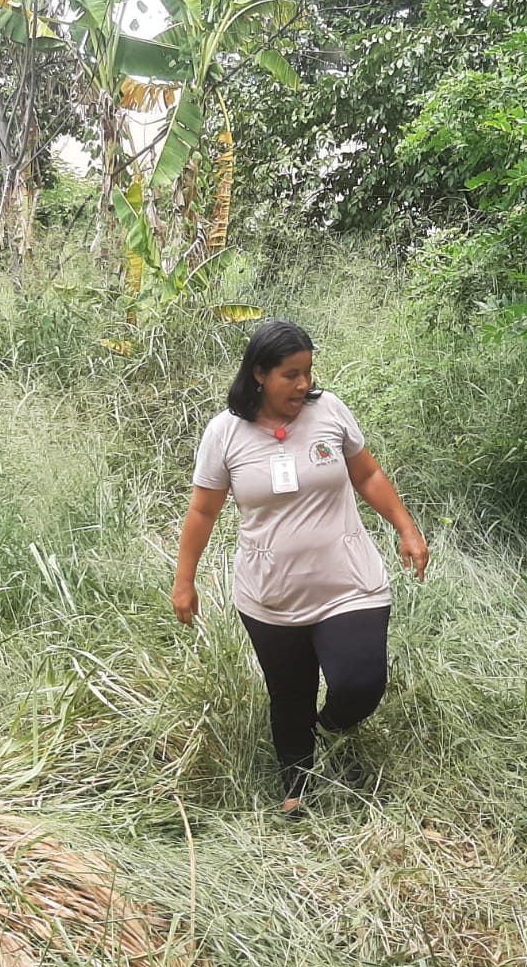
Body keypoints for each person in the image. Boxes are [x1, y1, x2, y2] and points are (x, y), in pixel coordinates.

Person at [172, 319, 428, 818]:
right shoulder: (225, 433)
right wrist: (185, 580)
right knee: (288, 694)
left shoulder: (329, 412)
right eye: (291, 375)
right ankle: (297, 784)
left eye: (308, 372)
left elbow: (367, 473)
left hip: (348, 581)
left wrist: (407, 528)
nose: (304, 384)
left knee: (359, 684)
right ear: (260, 374)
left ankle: (332, 727)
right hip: (270, 594)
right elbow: (203, 510)